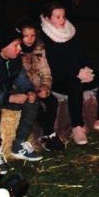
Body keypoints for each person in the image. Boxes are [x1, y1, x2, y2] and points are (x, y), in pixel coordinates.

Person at [40, 2, 99, 145]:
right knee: (75, 85)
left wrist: (89, 70)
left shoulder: (70, 31)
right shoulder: (44, 38)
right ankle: (77, 127)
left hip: (79, 74)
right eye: (57, 17)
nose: (62, 20)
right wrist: (76, 73)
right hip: (59, 79)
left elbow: (83, 54)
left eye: (63, 16)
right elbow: (53, 65)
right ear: (47, 18)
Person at [0, 27, 43, 164]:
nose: (19, 48)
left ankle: (19, 143)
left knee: (32, 101)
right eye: (16, 45)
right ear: (3, 47)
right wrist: (9, 98)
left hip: (5, 94)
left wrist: (29, 90)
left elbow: (21, 79)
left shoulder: (15, 59)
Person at [19, 21, 64, 151]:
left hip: (38, 86)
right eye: (26, 36)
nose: (29, 39)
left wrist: (45, 87)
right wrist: (29, 91)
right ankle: (49, 133)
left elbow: (46, 71)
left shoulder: (39, 49)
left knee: (52, 101)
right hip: (24, 89)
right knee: (35, 105)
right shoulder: (17, 51)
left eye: (32, 35)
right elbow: (18, 78)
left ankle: (47, 135)